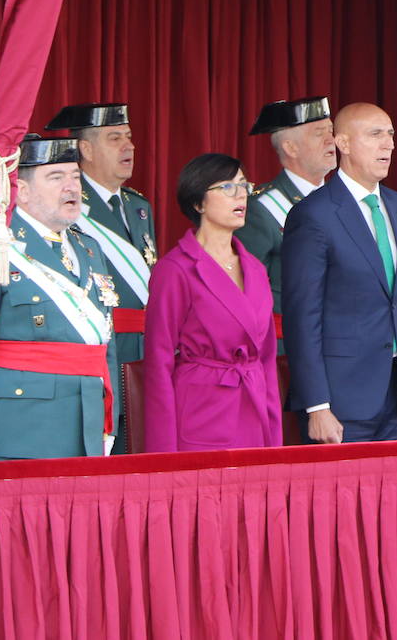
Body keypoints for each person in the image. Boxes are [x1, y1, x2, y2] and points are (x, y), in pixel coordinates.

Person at [0, 136, 119, 463]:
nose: (71, 187)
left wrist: (107, 425)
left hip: (86, 427)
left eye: (75, 176)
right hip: (20, 433)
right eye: (56, 178)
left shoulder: (90, 249)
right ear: (22, 191)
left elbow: (105, 345)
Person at [281, 102, 397, 443]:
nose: (389, 144)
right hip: (340, 400)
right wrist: (317, 405)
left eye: (391, 135)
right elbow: (302, 316)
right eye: (375, 134)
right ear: (343, 144)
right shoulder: (314, 214)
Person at [143, 154, 281, 452]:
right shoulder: (176, 269)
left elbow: (267, 358)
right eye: (228, 187)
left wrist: (273, 429)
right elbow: (158, 361)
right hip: (203, 412)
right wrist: (162, 450)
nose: (241, 195)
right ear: (198, 202)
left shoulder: (255, 268)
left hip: (253, 412)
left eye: (244, 186)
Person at [45, 102, 156, 453]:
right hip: (102, 347)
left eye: (129, 137)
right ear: (85, 149)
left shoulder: (140, 207)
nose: (129, 146)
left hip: (144, 347)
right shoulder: (68, 205)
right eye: (115, 138)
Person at [236, 96, 335, 315]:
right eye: (320, 133)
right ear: (290, 147)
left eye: (331, 131)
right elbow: (247, 293)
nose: (331, 140)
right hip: (287, 343)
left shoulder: (343, 200)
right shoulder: (261, 210)